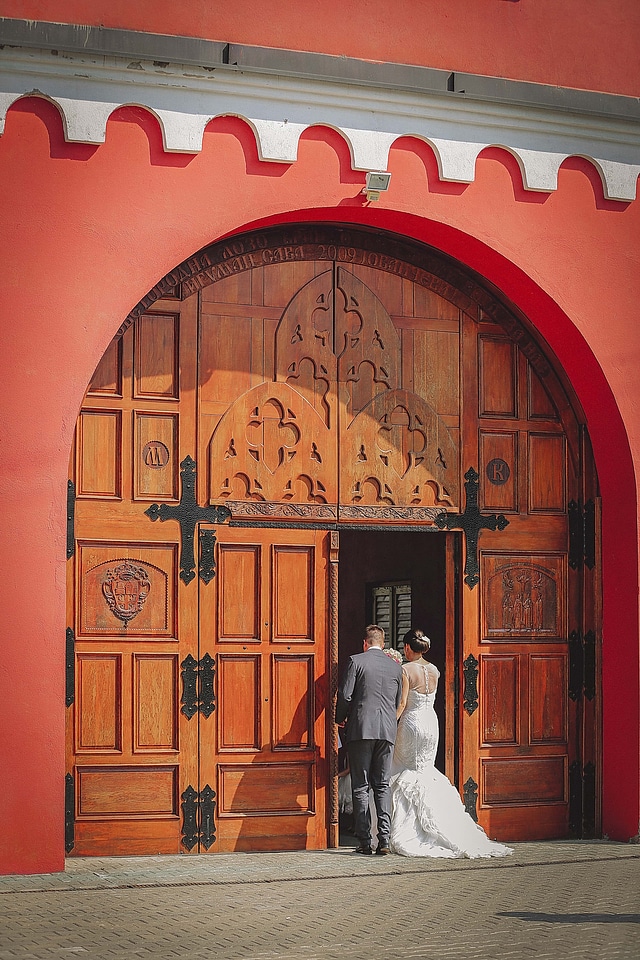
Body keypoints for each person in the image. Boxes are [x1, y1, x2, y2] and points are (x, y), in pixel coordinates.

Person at [390, 628, 513, 859]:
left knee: (405, 770)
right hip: (430, 722)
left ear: (407, 648)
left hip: (412, 723)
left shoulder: (406, 669)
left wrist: (389, 724)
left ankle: (411, 827)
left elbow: (403, 703)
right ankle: (444, 822)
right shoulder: (434, 670)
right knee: (425, 771)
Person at [335, 624, 403, 855]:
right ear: (383, 644)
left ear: (365, 643)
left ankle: (365, 842)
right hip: (387, 731)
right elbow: (396, 701)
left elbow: (345, 694)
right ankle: (384, 839)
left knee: (361, 786)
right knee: (382, 785)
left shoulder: (357, 661)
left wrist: (340, 718)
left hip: (362, 729)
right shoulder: (395, 668)